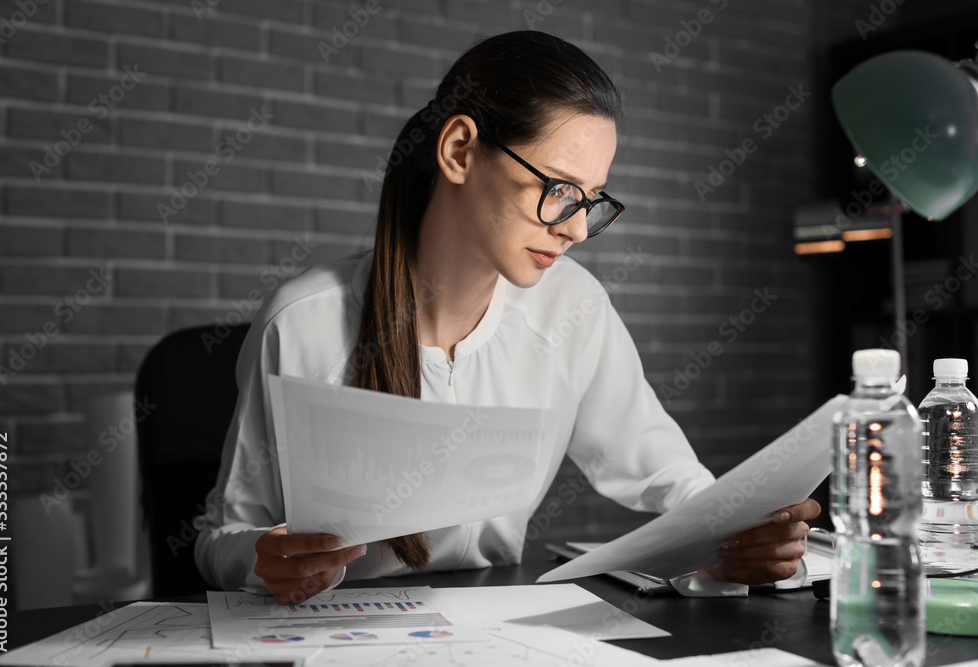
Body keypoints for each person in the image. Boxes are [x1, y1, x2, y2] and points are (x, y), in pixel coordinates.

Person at [194, 30, 818, 605]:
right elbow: (219, 537)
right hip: (337, 633)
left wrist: (738, 535)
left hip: (490, 630)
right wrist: (263, 559)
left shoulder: (571, 308)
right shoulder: (304, 323)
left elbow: (668, 478)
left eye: (592, 201)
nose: (575, 228)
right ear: (460, 151)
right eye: (559, 189)